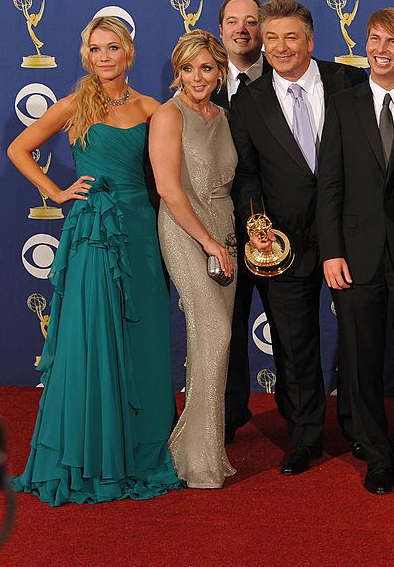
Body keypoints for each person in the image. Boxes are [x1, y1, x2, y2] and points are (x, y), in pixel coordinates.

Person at [8, 16, 183, 505]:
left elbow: (168, 178)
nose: (104, 57)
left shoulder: (152, 108)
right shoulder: (73, 105)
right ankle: (90, 453)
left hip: (140, 230)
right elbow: (19, 148)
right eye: (96, 49)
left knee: (142, 336)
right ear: (86, 55)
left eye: (113, 47)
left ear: (129, 52)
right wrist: (57, 192)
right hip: (90, 232)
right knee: (90, 337)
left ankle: (140, 449)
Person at [230, 0, 366, 476]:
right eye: (272, 39)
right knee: (294, 343)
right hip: (280, 243)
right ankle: (304, 436)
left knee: (358, 338)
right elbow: (246, 174)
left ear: (311, 40)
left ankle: (361, 431)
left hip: (350, 236)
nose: (281, 47)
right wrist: (256, 224)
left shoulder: (350, 80)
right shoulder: (246, 101)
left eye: (292, 37)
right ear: (262, 44)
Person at [316, 8, 394, 494]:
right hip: (357, 254)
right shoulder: (343, 104)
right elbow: (330, 185)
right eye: (373, 40)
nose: (380, 50)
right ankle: (377, 454)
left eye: (391, 42)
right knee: (360, 360)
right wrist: (331, 251)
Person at [149, 30, 238, 489]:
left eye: (206, 68)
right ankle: (193, 456)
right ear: (177, 71)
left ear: (220, 71)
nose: (197, 78)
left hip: (225, 228)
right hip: (187, 229)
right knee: (215, 333)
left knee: (214, 342)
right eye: (187, 69)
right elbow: (168, 189)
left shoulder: (223, 116)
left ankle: (204, 450)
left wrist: (225, 239)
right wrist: (207, 242)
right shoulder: (169, 115)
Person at [211, 0, 270, 446]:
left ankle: (298, 420)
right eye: (233, 22)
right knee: (224, 328)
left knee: (290, 328)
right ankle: (227, 415)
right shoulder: (201, 84)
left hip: (277, 230)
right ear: (221, 29)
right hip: (217, 230)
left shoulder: (293, 78)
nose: (242, 30)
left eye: (252, 22)